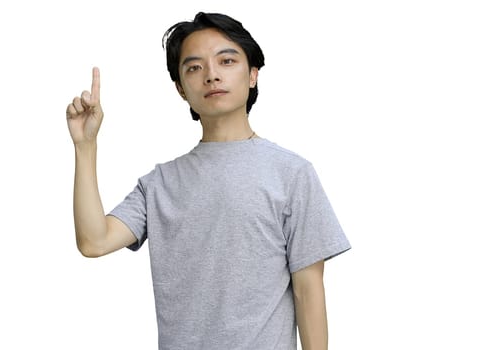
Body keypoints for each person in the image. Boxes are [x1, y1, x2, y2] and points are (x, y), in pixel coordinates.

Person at [65, 12, 351, 350]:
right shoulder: (159, 184)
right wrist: (85, 147)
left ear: (253, 75)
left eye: (227, 61)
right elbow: (94, 242)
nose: (212, 75)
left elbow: (308, 291)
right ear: (181, 89)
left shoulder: (291, 174)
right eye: (194, 68)